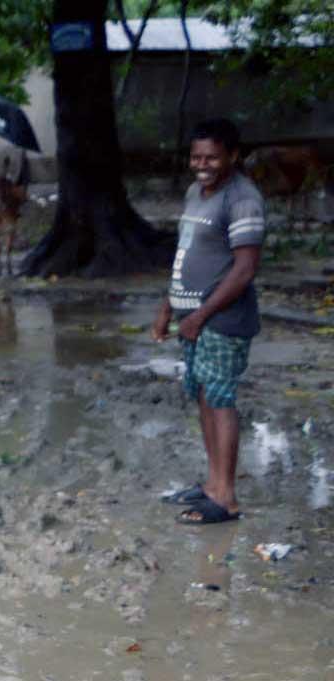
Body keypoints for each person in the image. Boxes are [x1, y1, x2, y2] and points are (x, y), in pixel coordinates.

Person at [152, 117, 265, 525]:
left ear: (233, 156)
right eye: (197, 156)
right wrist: (169, 304)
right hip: (192, 319)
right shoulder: (195, 193)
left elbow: (244, 269)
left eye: (213, 157)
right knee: (202, 393)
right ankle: (212, 485)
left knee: (220, 400)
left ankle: (226, 498)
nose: (203, 164)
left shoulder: (242, 199)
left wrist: (200, 315)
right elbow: (187, 252)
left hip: (221, 320)